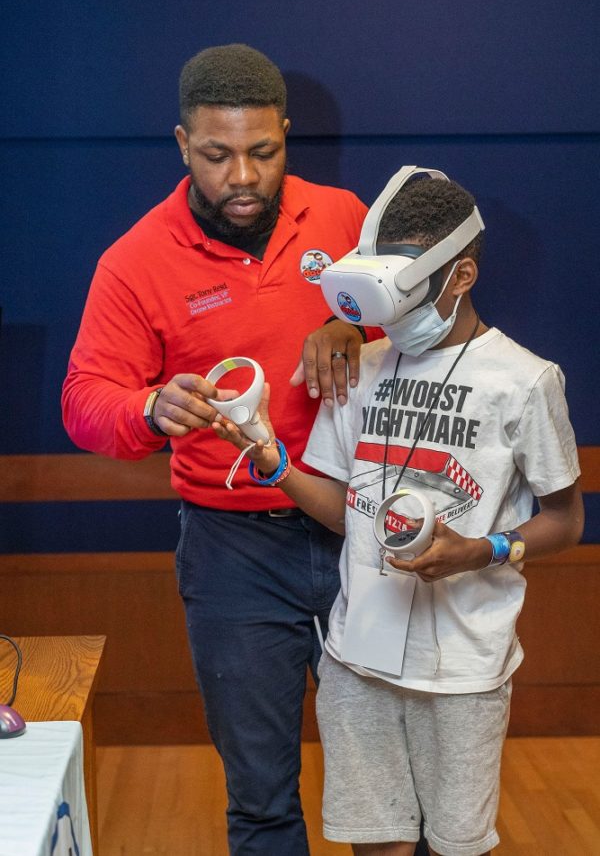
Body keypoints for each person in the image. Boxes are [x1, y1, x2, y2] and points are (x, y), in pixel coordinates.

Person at [212, 168, 584, 856]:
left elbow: (566, 520)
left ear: (462, 275)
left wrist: (483, 551)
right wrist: (274, 464)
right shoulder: (362, 370)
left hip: (463, 672)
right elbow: (341, 513)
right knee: (375, 844)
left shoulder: (527, 382)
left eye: (411, 289)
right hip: (357, 662)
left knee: (453, 845)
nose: (392, 309)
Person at [62, 43, 376, 855]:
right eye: (217, 155)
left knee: (391, 785)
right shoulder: (134, 262)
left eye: (262, 152)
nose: (242, 176)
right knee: (263, 800)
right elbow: (84, 402)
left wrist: (355, 324)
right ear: (180, 145)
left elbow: (420, 323)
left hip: (362, 531)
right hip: (233, 551)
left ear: (286, 137)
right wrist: (148, 405)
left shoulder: (343, 215)